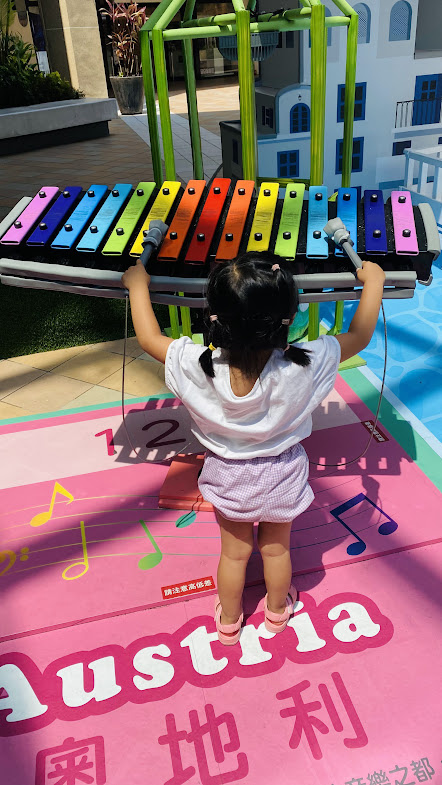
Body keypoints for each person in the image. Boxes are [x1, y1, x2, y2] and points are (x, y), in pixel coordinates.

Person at [122, 251, 385, 645]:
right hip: (283, 472)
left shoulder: (197, 364)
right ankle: (277, 613)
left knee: (233, 554)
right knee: (277, 552)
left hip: (227, 476)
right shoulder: (306, 363)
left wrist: (137, 286)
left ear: (213, 315)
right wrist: (374, 282)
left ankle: (229, 623)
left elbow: (148, 339)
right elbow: (360, 335)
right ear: (289, 316)